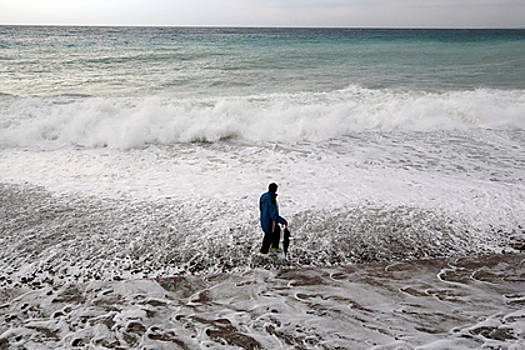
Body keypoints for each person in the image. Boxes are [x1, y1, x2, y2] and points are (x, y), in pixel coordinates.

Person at [259, 182, 288, 254]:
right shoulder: (272, 201)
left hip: (263, 219)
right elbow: (274, 216)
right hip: (270, 222)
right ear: (276, 190)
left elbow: (260, 207)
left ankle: (275, 246)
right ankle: (263, 252)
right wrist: (283, 221)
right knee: (268, 236)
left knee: (277, 230)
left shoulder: (263, 196)